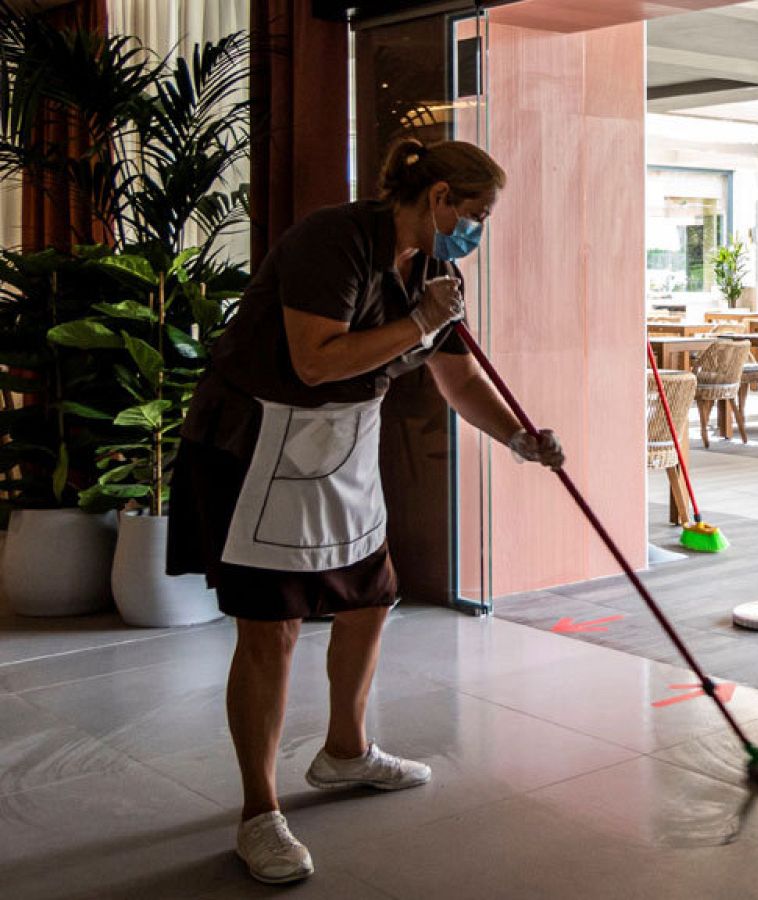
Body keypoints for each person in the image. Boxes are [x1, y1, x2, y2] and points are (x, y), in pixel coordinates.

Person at [166, 138, 563, 885]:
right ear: (439, 196)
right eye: (474, 214)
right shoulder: (335, 239)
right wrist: (418, 322)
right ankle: (259, 813)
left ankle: (344, 753)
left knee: (371, 597)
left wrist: (516, 436)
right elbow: (317, 358)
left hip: (343, 444)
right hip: (258, 442)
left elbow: (456, 375)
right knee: (272, 627)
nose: (477, 231)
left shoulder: (439, 269)